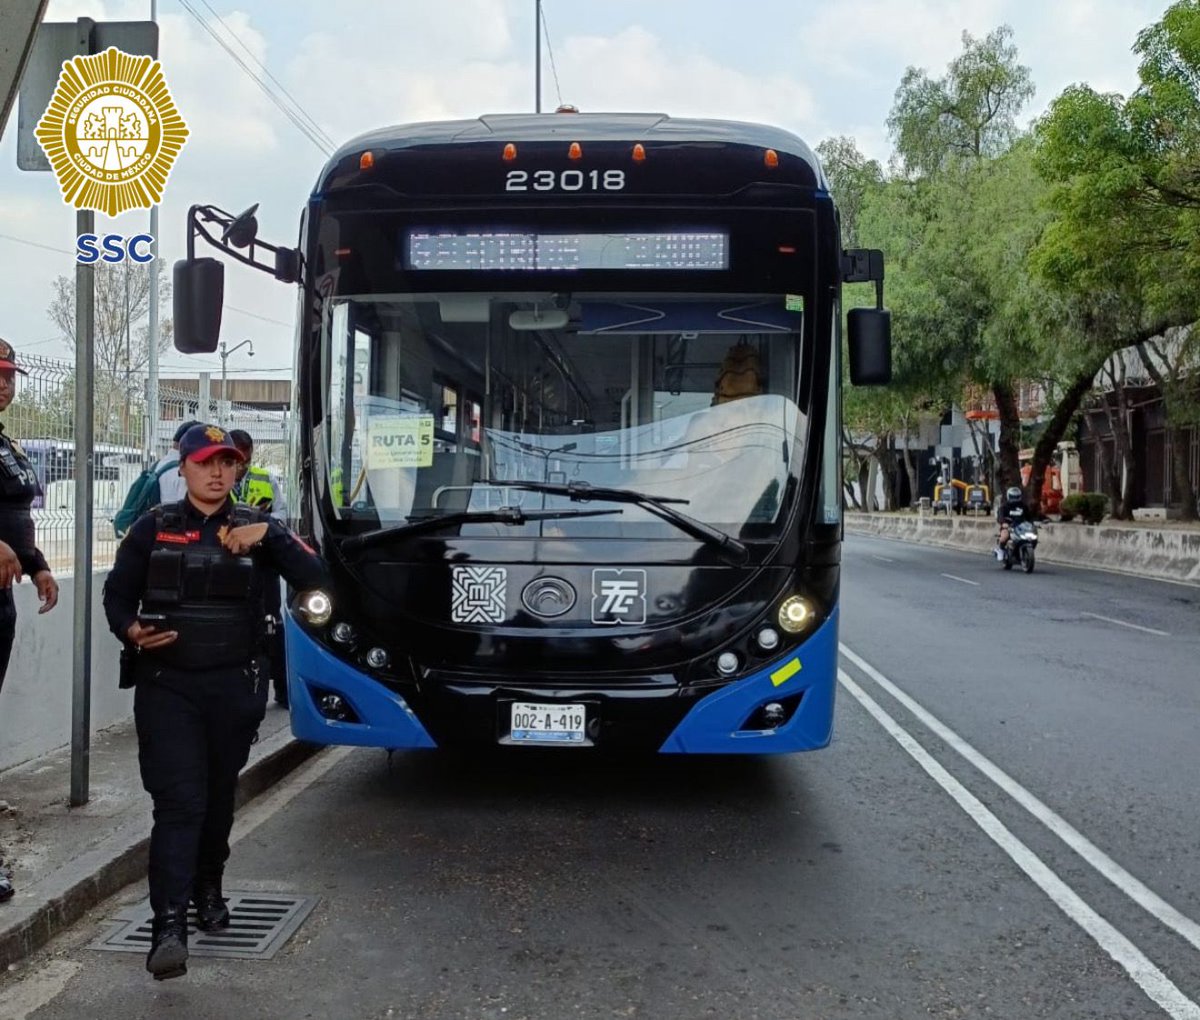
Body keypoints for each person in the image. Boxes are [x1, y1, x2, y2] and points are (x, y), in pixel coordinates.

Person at [102, 423, 326, 980]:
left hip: (234, 686)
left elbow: (317, 576)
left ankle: (208, 885)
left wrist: (268, 534)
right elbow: (116, 596)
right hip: (168, 687)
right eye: (205, 463)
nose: (217, 472)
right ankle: (168, 927)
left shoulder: (258, 526)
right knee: (179, 803)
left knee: (219, 796)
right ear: (183, 469)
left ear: (238, 468)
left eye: (227, 462)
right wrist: (131, 630)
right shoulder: (153, 528)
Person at [0, 338, 60, 905]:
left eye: (9, 374)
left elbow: (17, 511)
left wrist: (37, 564)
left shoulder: (6, 442)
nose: (4, 382)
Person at [228, 430, 289, 706]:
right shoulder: (216, 480)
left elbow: (283, 514)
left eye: (245, 460)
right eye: (236, 460)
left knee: (272, 624)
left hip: (263, 562)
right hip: (230, 565)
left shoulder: (265, 479)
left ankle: (282, 688)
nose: (240, 467)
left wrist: (260, 521)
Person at [996, 485, 1031, 554]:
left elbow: (1029, 517)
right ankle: (1000, 550)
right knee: (1004, 537)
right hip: (1009, 527)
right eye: (1013, 497)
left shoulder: (1023, 506)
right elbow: (1000, 516)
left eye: (1016, 497)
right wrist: (1003, 523)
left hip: (1021, 527)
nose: (1014, 499)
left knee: (1031, 537)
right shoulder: (1004, 507)